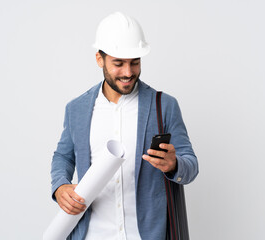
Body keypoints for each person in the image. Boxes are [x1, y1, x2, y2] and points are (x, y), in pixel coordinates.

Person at [50, 12, 198, 240]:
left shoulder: (165, 106)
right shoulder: (76, 109)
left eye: (135, 63)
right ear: (99, 59)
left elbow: (191, 165)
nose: (128, 73)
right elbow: (63, 156)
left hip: (148, 235)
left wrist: (174, 165)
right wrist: (60, 187)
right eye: (118, 63)